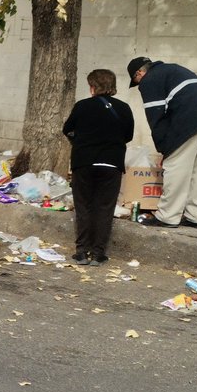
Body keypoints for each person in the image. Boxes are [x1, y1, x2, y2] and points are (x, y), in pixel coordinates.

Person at [127, 56, 197, 228]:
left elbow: (156, 117)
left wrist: (165, 150)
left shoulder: (150, 80)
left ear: (139, 72)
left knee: (176, 166)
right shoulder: (173, 69)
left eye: (136, 80)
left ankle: (168, 216)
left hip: (191, 120)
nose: (139, 85)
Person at [63, 68, 135, 265]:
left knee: (83, 206)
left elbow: (67, 129)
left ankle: (81, 252)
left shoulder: (82, 106)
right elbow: (128, 135)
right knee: (104, 208)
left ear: (93, 86)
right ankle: (98, 254)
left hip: (84, 162)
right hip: (111, 164)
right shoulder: (124, 108)